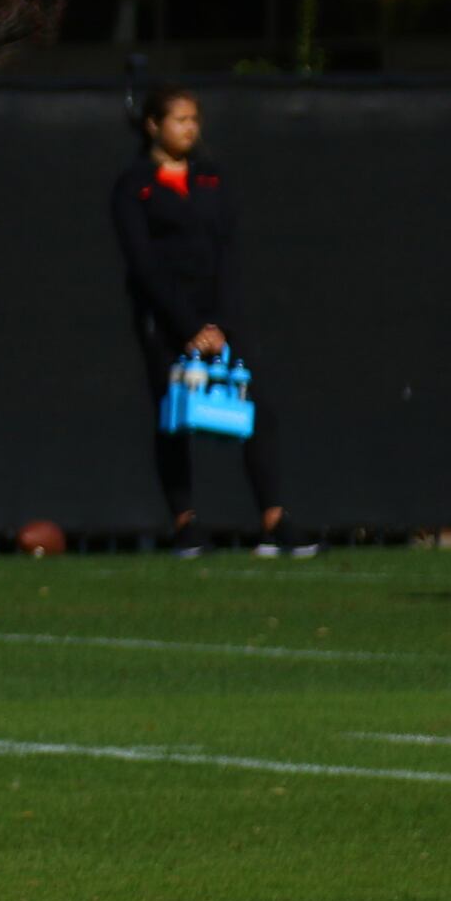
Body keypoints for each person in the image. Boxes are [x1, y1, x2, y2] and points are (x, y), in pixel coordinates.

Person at [111, 84, 312, 556]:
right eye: (179, 120)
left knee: (257, 407)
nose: (189, 129)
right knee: (174, 413)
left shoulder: (212, 179)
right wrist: (186, 325)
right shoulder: (135, 185)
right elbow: (144, 264)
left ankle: (273, 520)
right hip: (168, 319)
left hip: (220, 316)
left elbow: (225, 251)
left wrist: (217, 322)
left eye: (194, 120)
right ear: (153, 125)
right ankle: (185, 524)